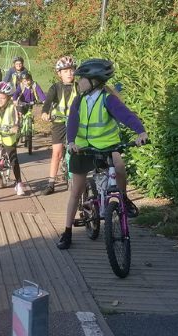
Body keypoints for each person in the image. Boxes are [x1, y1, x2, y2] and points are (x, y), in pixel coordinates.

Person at [57, 59, 148, 250]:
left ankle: (123, 198)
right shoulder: (79, 101)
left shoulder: (108, 99)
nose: (78, 81)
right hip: (81, 149)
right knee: (76, 191)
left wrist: (140, 132)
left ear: (94, 81)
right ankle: (67, 232)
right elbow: (72, 123)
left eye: (82, 78)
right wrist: (71, 142)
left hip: (106, 147)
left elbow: (127, 116)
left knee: (120, 167)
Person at [40, 56, 78, 195]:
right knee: (57, 153)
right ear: (59, 73)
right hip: (59, 122)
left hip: (75, 122)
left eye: (71, 70)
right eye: (65, 70)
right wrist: (45, 112)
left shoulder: (78, 87)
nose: (69, 73)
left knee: (78, 149)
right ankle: (51, 183)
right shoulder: (56, 87)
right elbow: (48, 101)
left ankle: (79, 178)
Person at [0, 81, 25, 196]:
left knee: (13, 159)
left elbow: (16, 121)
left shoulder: (13, 108)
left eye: (3, 98)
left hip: (8, 138)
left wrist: (15, 127)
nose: (0, 100)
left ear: (8, 98)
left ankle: (18, 183)